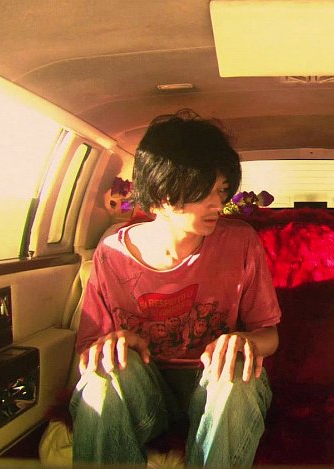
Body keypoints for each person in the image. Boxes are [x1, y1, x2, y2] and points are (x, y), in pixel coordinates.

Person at [70, 109, 281, 467]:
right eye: (204, 193)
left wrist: (244, 341)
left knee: (235, 374)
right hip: (147, 387)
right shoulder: (111, 254)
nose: (218, 204)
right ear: (162, 195)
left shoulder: (240, 242)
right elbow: (87, 353)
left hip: (214, 384)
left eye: (222, 191)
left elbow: (269, 335)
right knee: (103, 374)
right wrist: (111, 344)